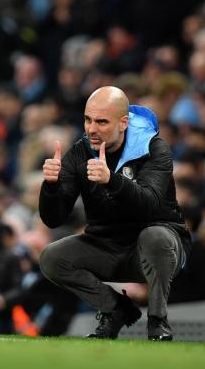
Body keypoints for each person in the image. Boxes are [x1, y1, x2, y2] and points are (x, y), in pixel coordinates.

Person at [38, 86, 192, 341]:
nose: (91, 129)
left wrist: (111, 181)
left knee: (155, 236)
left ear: (123, 123)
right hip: (107, 246)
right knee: (52, 258)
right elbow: (53, 219)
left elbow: (150, 205)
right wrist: (51, 187)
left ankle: (157, 321)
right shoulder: (80, 152)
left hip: (160, 249)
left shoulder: (154, 148)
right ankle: (116, 310)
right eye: (87, 119)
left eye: (101, 121)